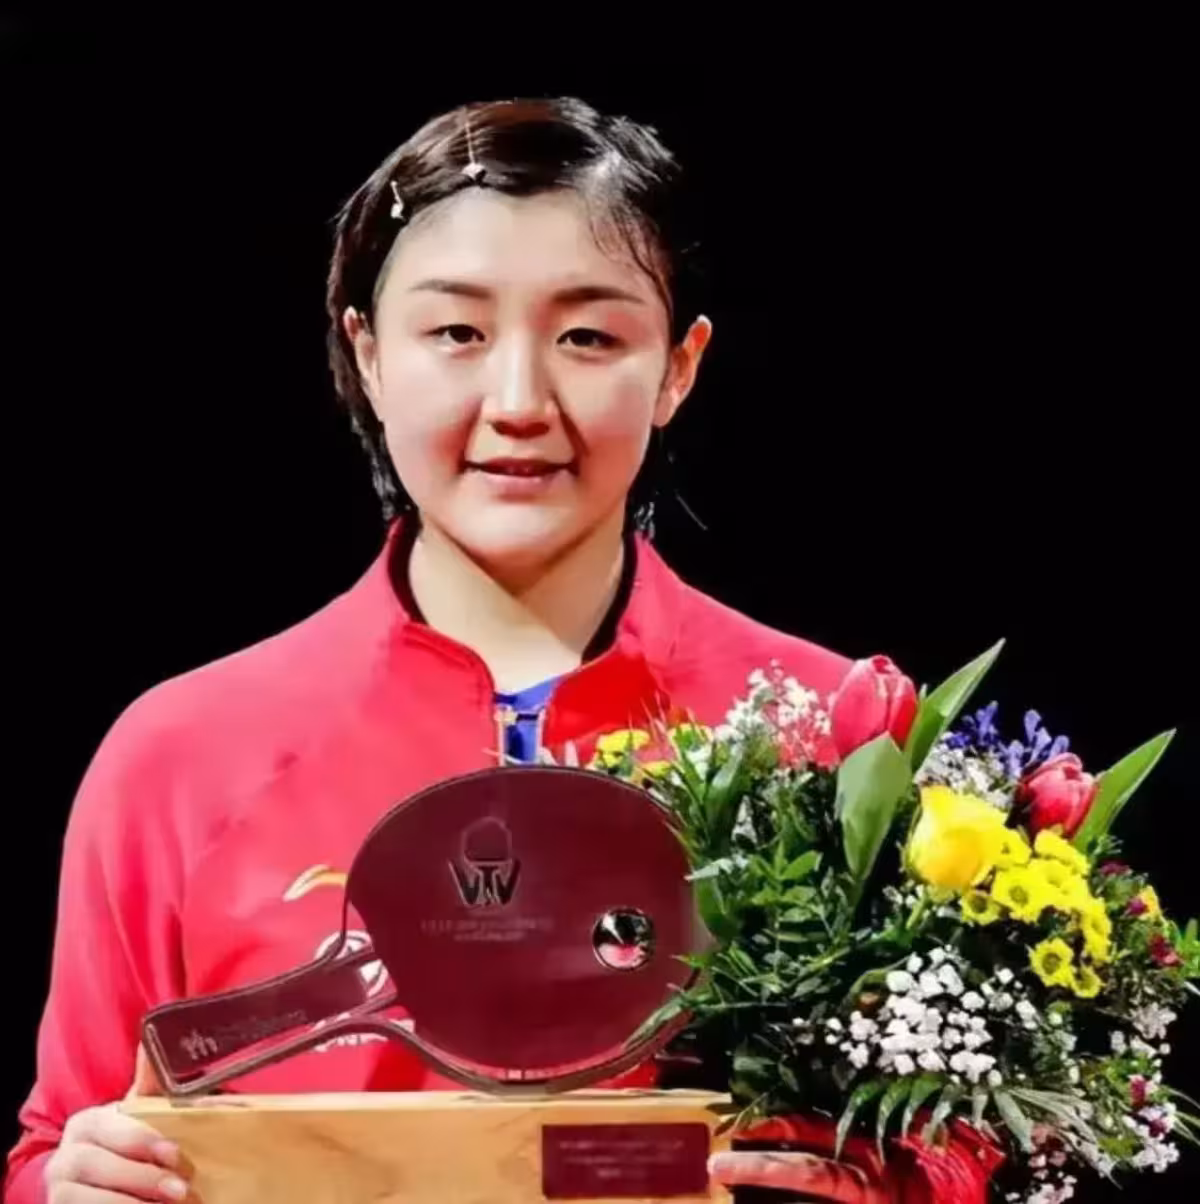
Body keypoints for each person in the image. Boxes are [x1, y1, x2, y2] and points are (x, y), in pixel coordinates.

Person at [7, 97, 994, 1204]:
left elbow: (970, 1134)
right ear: (367, 355)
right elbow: (62, 1138)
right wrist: (69, 1185)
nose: (519, 402)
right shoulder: (180, 755)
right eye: (456, 334)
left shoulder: (845, 736)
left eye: (589, 338)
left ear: (679, 367)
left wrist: (913, 1183)